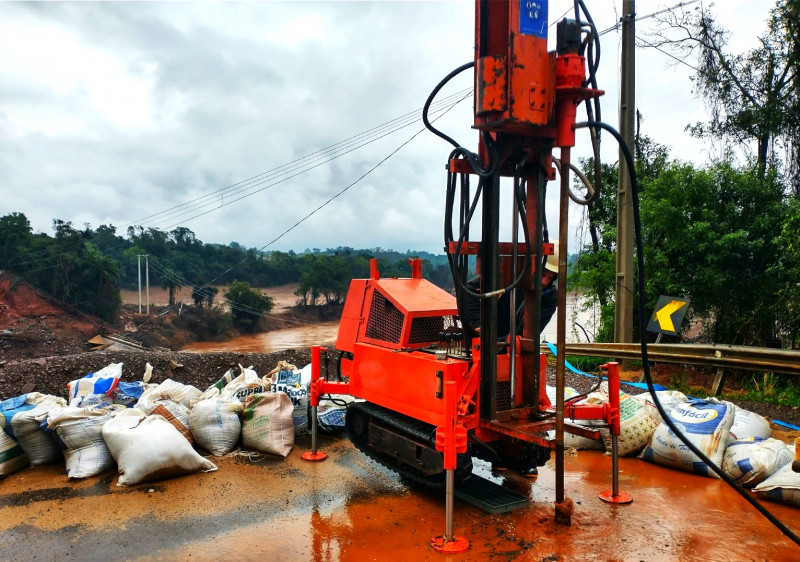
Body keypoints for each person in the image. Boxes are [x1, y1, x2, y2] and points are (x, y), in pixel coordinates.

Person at [465, 241, 559, 338]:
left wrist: (502, 343)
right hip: (488, 339)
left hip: (515, 346)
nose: (544, 282)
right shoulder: (508, 277)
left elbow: (528, 334)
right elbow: (469, 291)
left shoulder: (549, 297)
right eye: (542, 275)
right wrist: (479, 324)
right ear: (531, 267)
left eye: (550, 278)